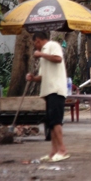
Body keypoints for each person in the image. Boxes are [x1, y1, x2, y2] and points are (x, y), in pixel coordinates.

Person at [26, 31, 70, 162]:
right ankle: (54, 151)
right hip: (48, 91)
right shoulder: (43, 56)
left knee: (56, 121)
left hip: (56, 90)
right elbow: (42, 77)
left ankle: (62, 150)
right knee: (51, 123)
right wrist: (33, 78)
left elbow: (58, 58)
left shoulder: (52, 45)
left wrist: (41, 54)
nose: (35, 46)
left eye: (35, 43)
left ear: (38, 40)